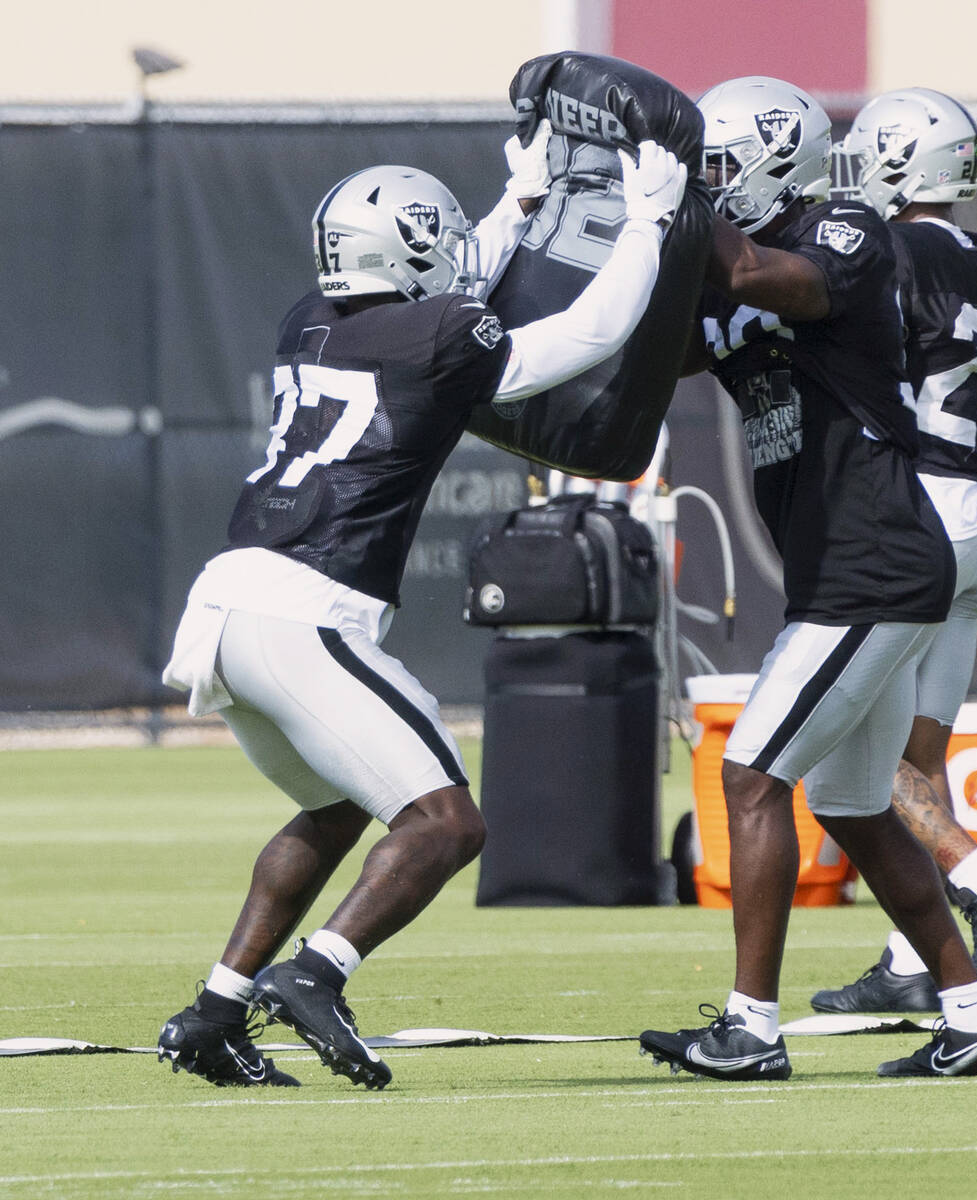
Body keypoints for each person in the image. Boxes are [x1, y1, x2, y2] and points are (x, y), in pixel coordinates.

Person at [157, 123, 688, 1089]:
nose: (448, 250)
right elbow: (585, 335)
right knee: (448, 825)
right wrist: (647, 223)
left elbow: (442, 286)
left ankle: (213, 1012)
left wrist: (515, 203)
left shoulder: (307, 318)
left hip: (227, 604)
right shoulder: (440, 333)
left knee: (334, 809)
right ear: (403, 245)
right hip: (306, 611)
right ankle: (318, 973)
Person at [638, 76, 977, 1080]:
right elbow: (665, 351)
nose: (713, 185)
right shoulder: (754, 265)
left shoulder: (847, 231)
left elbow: (786, 284)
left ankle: (750, 1028)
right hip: (853, 563)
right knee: (854, 801)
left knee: (751, 773)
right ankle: (975, 1013)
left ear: (773, 158)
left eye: (722, 166)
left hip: (877, 562)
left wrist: (681, 201)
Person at [810, 88, 977, 1016]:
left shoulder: (888, 252)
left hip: (922, 514)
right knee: (919, 753)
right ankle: (914, 959)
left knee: (851, 765)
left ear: (900, 161)